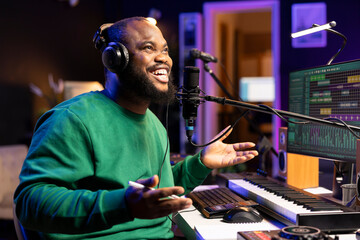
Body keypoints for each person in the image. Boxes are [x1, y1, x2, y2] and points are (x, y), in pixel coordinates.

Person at [14, 16, 258, 239]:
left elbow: (159, 192)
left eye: (165, 50)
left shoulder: (154, 124)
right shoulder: (71, 119)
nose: (164, 58)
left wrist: (201, 163)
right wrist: (123, 204)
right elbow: (29, 202)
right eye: (148, 48)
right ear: (115, 59)